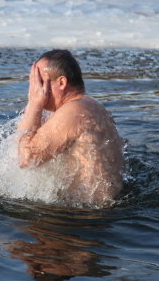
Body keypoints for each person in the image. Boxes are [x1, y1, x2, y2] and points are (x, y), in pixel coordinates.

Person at [17, 49, 125, 207]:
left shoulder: (74, 112)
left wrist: (33, 104)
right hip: (104, 210)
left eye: (39, 81)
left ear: (61, 83)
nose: (35, 89)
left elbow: (26, 159)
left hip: (84, 215)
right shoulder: (91, 106)